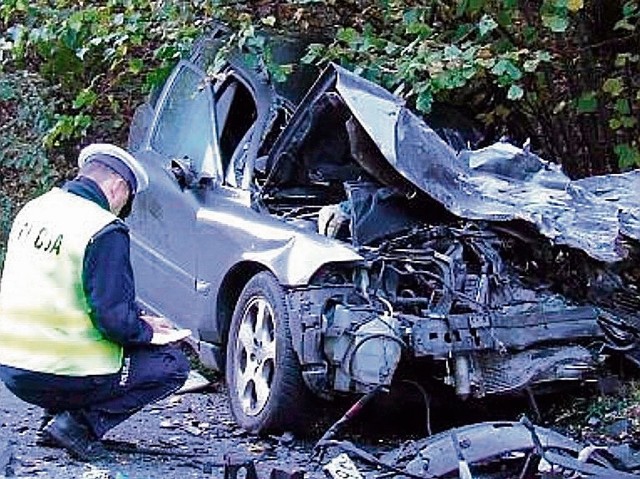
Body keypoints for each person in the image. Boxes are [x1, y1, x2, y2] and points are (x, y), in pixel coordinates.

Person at [0, 143, 190, 461]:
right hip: (61, 368)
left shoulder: (34, 209)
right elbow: (113, 320)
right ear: (118, 188)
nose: (122, 209)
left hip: (12, 365)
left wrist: (138, 320)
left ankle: (52, 421)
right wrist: (149, 331)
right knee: (171, 366)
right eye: (127, 201)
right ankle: (75, 425)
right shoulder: (102, 229)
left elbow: (59, 290)